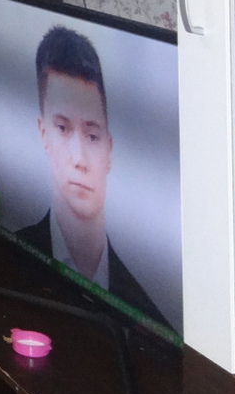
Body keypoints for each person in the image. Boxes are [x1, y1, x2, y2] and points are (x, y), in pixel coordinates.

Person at [12, 25, 169, 328]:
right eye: (62, 128)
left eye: (92, 135)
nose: (79, 159)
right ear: (43, 133)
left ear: (109, 149)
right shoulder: (8, 262)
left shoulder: (146, 315)